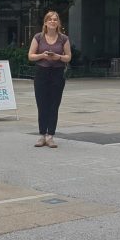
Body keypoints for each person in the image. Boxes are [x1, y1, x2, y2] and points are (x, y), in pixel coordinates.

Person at [28, 11, 72, 149]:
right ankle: (42, 135)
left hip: (57, 73)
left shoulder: (63, 38)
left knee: (54, 105)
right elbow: (30, 56)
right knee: (42, 104)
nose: (53, 21)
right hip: (42, 73)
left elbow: (68, 57)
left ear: (58, 23)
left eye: (55, 19)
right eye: (50, 19)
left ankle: (50, 136)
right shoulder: (38, 37)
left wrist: (58, 57)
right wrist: (42, 55)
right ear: (45, 23)